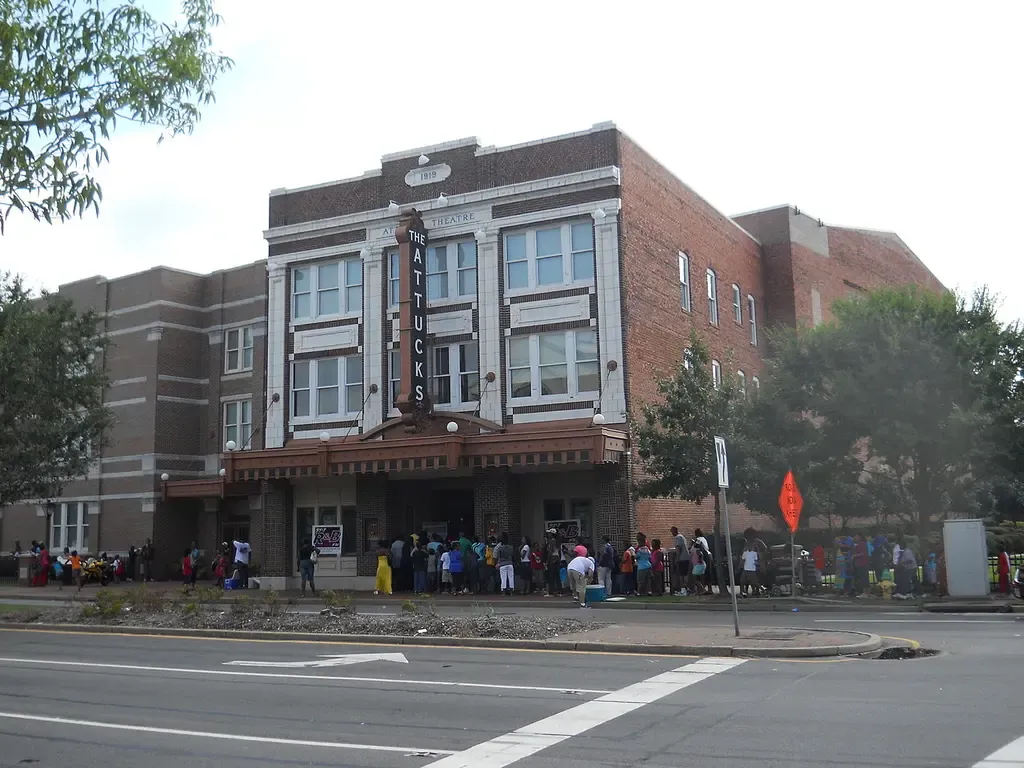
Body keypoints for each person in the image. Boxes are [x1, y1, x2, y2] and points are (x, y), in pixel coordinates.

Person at [670, 526, 690, 596]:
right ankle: (687, 589)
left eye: (672, 531)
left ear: (675, 531)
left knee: (681, 575)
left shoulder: (677, 538)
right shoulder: (682, 537)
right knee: (685, 574)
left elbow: (678, 549)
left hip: (681, 558)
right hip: (686, 557)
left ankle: (683, 591)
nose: (671, 533)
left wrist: (676, 559)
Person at [545, 531, 562, 597]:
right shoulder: (557, 542)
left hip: (552, 558)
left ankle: (551, 592)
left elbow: (551, 551)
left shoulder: (552, 541)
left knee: (551, 575)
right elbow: (559, 551)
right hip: (557, 558)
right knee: (557, 576)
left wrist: (547, 560)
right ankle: (559, 591)